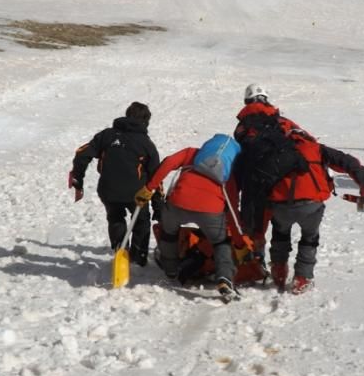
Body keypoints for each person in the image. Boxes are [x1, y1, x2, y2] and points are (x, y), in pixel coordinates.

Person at [234, 84, 364, 295]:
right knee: (309, 238)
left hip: (280, 204)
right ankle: (303, 277)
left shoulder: (269, 150)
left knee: (280, 233)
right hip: (312, 204)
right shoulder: (315, 148)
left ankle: (278, 269)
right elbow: (351, 164)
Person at [134, 138, 248, 301]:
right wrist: (238, 242)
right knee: (220, 243)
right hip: (211, 211)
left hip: (178, 203)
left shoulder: (192, 154)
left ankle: (171, 269)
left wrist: (149, 188)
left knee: (168, 232)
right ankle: (224, 278)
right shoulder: (228, 172)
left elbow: (168, 162)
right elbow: (232, 208)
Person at [69, 102, 161, 267]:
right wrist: (158, 204)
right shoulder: (146, 143)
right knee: (141, 220)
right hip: (136, 193)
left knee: (115, 217)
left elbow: (82, 153)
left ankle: (120, 249)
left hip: (108, 190)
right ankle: (138, 258)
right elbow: (156, 175)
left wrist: (78, 179)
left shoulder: (106, 135)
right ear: (146, 121)